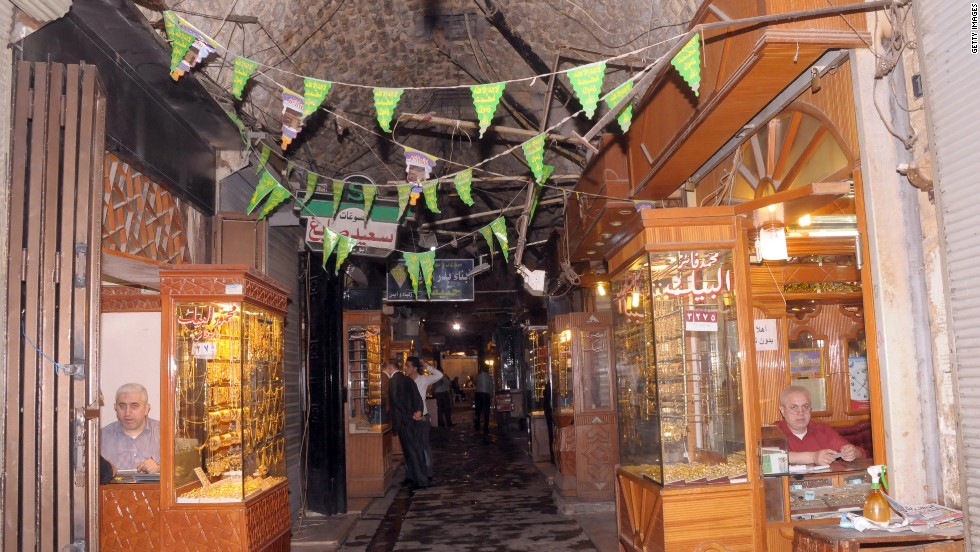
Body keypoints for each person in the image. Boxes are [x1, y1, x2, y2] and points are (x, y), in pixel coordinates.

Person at [776, 385, 865, 465]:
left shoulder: (823, 430)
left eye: (805, 406)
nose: (801, 412)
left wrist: (852, 452)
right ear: (783, 410)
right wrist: (813, 457)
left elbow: (860, 452)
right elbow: (770, 458)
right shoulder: (773, 432)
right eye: (794, 407)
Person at [383, 361, 427, 492]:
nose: (385, 373)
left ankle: (420, 481)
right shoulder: (407, 379)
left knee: (412, 452)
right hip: (411, 420)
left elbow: (396, 402)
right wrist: (418, 411)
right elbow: (418, 397)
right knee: (412, 451)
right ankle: (412, 478)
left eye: (385, 370)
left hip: (404, 421)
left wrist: (410, 414)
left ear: (391, 368)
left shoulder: (394, 380)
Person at [100, 383, 161, 474]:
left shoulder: (165, 433)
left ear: (146, 409)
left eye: (134, 405)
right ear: (115, 408)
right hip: (114, 488)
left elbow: (184, 473)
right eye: (122, 406)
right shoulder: (100, 438)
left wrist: (160, 468)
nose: (127, 413)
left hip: (155, 488)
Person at [407, 357, 443, 484]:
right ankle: (411, 475)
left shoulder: (423, 379)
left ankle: (428, 473)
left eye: (408, 366)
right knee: (410, 447)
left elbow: (439, 375)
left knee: (424, 447)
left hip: (423, 418)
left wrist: (427, 366)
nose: (406, 368)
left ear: (415, 368)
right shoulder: (405, 381)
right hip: (409, 419)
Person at [474, 365, 493, 434]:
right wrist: (491, 395)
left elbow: (476, 384)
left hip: (478, 394)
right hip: (485, 395)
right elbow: (491, 387)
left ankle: (477, 425)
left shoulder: (478, 376)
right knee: (486, 412)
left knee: (477, 411)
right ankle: (486, 427)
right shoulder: (489, 377)